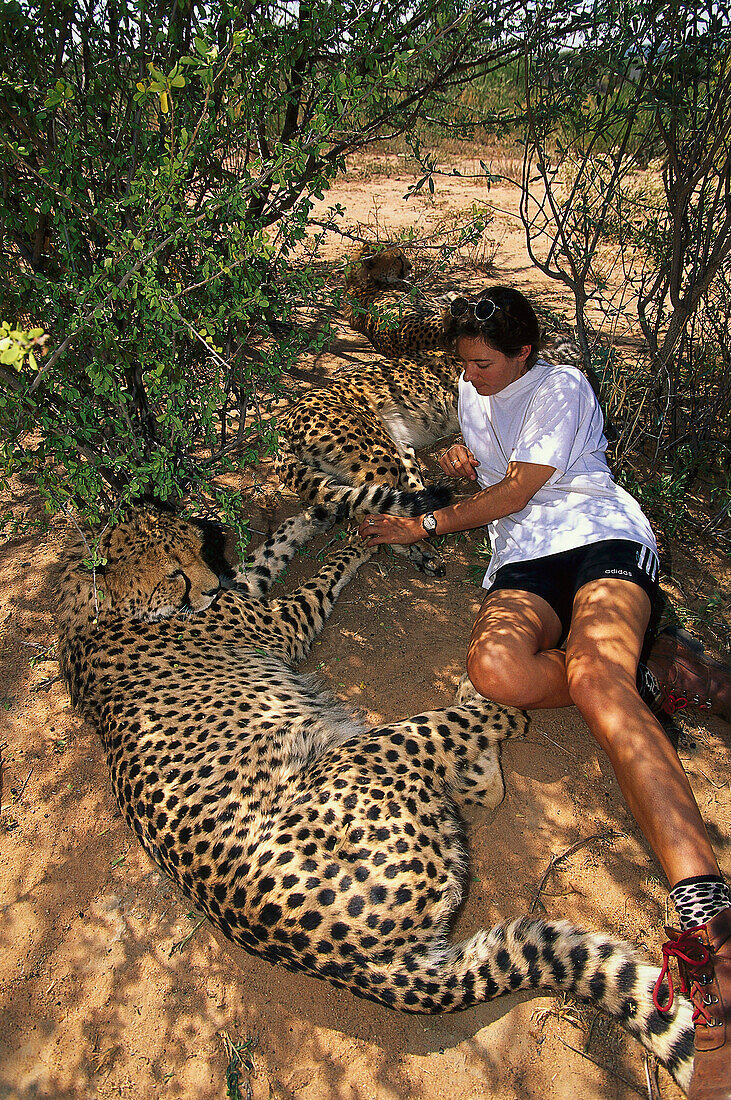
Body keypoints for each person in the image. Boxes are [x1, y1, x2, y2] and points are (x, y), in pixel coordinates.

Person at [358, 286, 730, 1100]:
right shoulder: (473, 388)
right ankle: (658, 670)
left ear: (523, 352)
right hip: (523, 560)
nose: (471, 376)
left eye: (483, 363)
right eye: (463, 364)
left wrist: (427, 523)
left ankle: (710, 937)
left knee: (594, 681)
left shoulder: (561, 385)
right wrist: (463, 459)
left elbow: (520, 488)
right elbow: (493, 473)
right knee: (495, 672)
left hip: (594, 535)